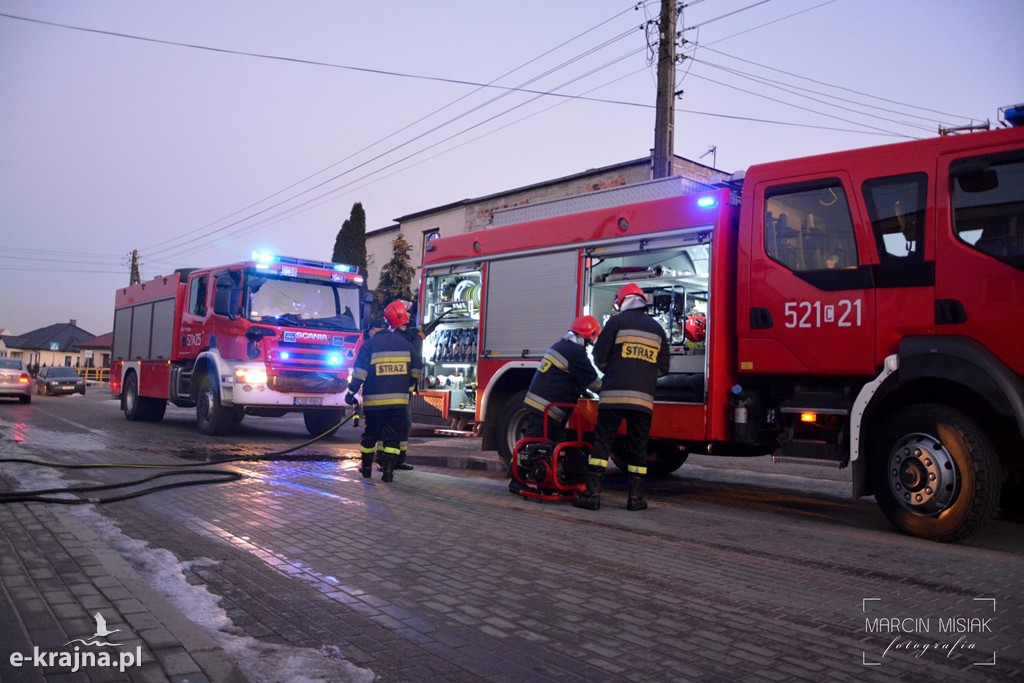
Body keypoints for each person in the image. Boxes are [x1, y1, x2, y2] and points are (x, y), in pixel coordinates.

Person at [573, 283, 669, 511]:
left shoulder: (616, 323)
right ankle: (635, 499)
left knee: (603, 442)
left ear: (623, 302)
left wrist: (616, 370)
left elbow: (599, 356)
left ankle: (593, 495)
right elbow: (663, 368)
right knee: (638, 447)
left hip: (613, 396)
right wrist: (642, 375)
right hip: (643, 400)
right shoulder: (657, 329)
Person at [509, 316, 603, 494]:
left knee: (547, 445)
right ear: (588, 336)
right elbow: (593, 381)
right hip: (547, 407)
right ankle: (516, 479)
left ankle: (549, 481)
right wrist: (607, 391)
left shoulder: (562, 346)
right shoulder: (575, 352)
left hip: (544, 405)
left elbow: (565, 377)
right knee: (531, 444)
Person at [345, 301, 422, 482]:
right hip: (398, 404)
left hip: (374, 403)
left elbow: (359, 373)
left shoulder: (370, 345)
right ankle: (388, 473)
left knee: (370, 436)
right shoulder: (406, 344)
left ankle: (365, 470)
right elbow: (417, 368)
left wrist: (350, 393)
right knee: (393, 439)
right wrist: (408, 386)